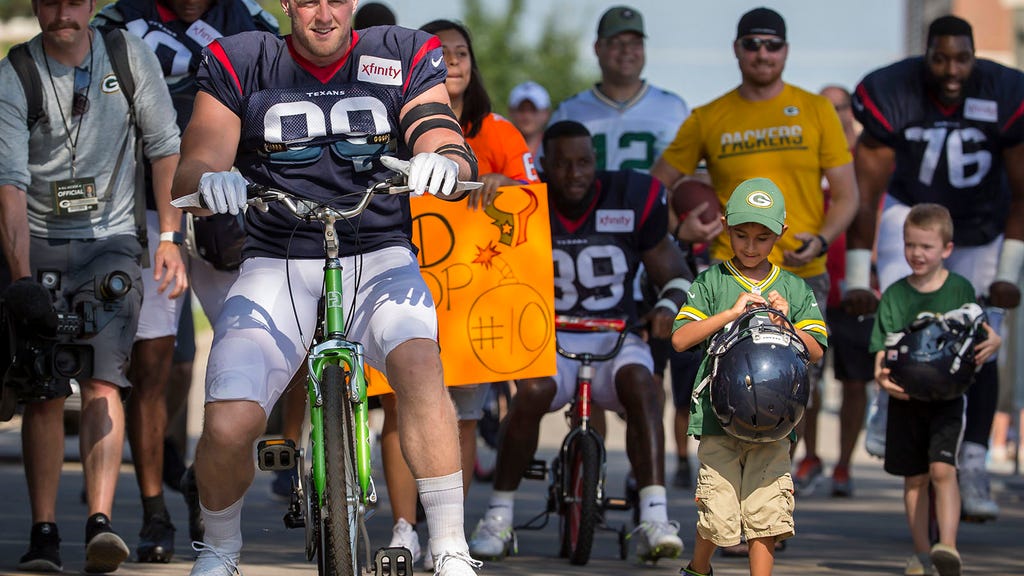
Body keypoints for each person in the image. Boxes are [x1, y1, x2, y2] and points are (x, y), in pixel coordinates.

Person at [170, 0, 482, 573]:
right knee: (229, 418)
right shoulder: (245, 58)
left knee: (418, 367)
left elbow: (439, 129)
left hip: (377, 251)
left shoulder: (398, 51)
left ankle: (450, 546)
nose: (323, 14)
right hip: (277, 258)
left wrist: (445, 160)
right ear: (286, 3)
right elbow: (197, 157)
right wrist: (212, 178)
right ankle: (219, 548)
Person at [92, 0, 278, 561]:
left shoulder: (253, 19)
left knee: (258, 356)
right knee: (153, 364)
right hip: (145, 210)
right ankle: (154, 511)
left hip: (231, 207)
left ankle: (205, 478)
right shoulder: (117, 20)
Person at [0, 0, 181, 571]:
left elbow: (164, 146)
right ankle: (44, 531)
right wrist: (21, 279)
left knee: (105, 380)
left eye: (75, 0)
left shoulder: (129, 57)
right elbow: (8, 182)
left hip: (111, 241)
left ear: (93, 5)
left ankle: (100, 524)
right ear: (34, 6)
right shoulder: (15, 73)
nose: (62, 11)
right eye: (50, 0)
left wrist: (171, 235)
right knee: (45, 389)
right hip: (40, 237)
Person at [650, 6, 856, 505]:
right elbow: (657, 185)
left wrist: (823, 239)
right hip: (729, 275)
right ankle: (730, 494)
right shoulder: (709, 116)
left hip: (798, 274)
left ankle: (774, 490)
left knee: (794, 386)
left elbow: (848, 196)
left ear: (786, 51)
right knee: (731, 386)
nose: (762, 53)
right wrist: (680, 226)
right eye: (752, 44)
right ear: (737, 50)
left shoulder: (815, 110)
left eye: (772, 44)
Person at [467, 120, 690, 563]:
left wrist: (667, 308)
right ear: (544, 165)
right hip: (549, 336)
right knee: (530, 394)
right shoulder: (525, 201)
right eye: (563, 164)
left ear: (596, 162)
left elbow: (678, 275)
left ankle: (653, 515)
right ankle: (499, 515)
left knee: (645, 387)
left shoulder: (629, 198)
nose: (574, 173)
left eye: (584, 162)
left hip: (615, 335)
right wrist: (495, 187)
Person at [844, 15, 1024, 522]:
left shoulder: (1006, 91)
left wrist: (1009, 269)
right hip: (912, 212)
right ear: (926, 55)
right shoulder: (892, 90)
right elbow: (867, 194)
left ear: (974, 57)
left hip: (981, 222)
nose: (951, 70)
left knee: (982, 338)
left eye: (962, 57)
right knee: (902, 314)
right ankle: (887, 405)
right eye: (940, 58)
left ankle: (974, 461)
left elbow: (1023, 192)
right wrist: (859, 279)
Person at [379, 18, 539, 569]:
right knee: (401, 412)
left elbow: (531, 205)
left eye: (462, 52)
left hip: (472, 306)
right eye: (439, 52)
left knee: (462, 417)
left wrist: (506, 186)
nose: (453, 61)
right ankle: (404, 530)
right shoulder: (389, 124)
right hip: (403, 288)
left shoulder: (499, 131)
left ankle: (449, 536)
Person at [548, 4, 699, 490]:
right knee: (584, 361)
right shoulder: (571, 110)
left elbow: (689, 180)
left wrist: (688, 222)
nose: (626, 51)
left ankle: (643, 474)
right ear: (598, 49)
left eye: (634, 42)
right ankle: (585, 467)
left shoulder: (673, 107)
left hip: (649, 242)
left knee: (642, 373)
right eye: (616, 42)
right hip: (586, 242)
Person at [672, 177, 827, 576]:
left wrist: (786, 320)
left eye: (763, 237)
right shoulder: (710, 282)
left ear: (781, 234)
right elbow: (680, 339)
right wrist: (730, 313)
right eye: (741, 235)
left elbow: (816, 349)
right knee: (718, 512)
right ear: (725, 226)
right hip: (717, 419)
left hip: (777, 421)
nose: (751, 246)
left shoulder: (794, 287)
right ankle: (698, 569)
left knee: (767, 513)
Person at [869, 203, 1001, 576]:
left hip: (947, 398)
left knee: (943, 471)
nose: (916, 254)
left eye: (926, 246)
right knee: (915, 478)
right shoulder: (896, 294)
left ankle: (949, 548)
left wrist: (995, 343)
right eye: (910, 245)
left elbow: (984, 332)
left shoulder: (960, 289)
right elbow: (882, 347)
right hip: (906, 399)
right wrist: (882, 378)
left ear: (947, 249)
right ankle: (922, 553)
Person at [792, 84, 873, 497]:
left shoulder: (868, 158)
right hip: (812, 283)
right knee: (807, 379)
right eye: (826, 107)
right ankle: (810, 455)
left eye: (841, 107)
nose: (835, 114)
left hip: (857, 289)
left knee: (856, 381)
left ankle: (844, 463)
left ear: (852, 112)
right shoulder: (809, 155)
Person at [507, 80, 550, 158]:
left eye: (533, 110)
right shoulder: (499, 148)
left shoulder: (554, 149)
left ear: (546, 113)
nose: (527, 116)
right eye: (521, 109)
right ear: (510, 112)